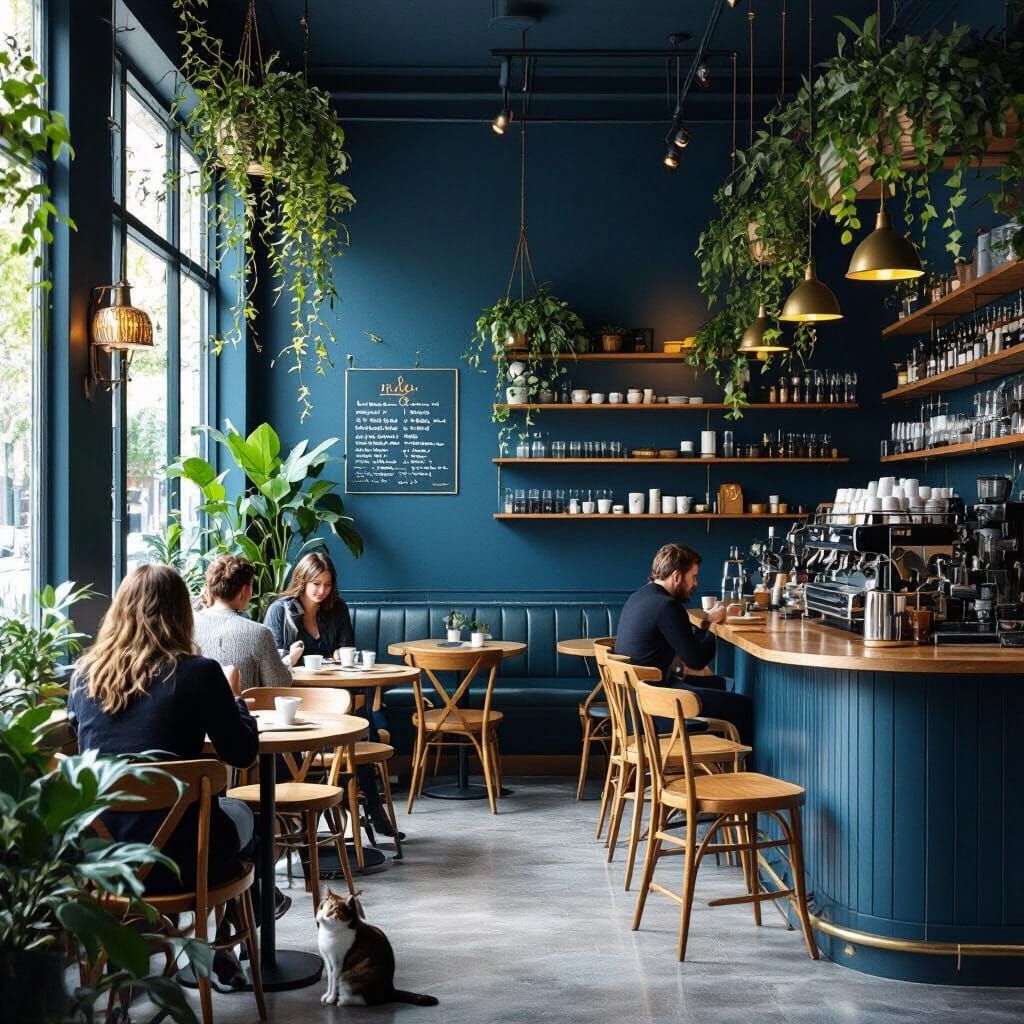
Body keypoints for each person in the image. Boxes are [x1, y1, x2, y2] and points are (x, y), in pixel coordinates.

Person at [67, 564, 262, 991]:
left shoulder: (83, 676)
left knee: (208, 818)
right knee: (246, 815)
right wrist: (237, 701)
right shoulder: (198, 672)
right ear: (181, 613)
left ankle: (141, 951)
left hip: (104, 861)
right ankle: (219, 946)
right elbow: (242, 753)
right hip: (180, 861)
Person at [264, 551, 401, 839]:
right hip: (297, 701)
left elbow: (345, 646)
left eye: (327, 584)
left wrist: (340, 653)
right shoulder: (281, 611)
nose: (322, 591)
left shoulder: (336, 609)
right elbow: (272, 659)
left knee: (360, 722)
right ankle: (359, 810)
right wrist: (291, 655)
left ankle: (372, 808)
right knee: (362, 722)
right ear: (302, 580)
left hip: (336, 696)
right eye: (316, 584)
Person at [613, 543, 753, 744]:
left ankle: (720, 763)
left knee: (727, 685)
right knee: (743, 705)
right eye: (693, 577)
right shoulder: (667, 606)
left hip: (637, 705)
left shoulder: (639, 597)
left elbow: (687, 646)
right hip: (659, 707)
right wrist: (712, 623)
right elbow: (696, 660)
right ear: (677, 576)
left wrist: (706, 621)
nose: (695, 584)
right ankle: (740, 772)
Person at [194, 554, 302, 690]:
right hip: (242, 710)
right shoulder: (260, 633)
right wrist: (289, 661)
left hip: (191, 711)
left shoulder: (187, 627)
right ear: (244, 591)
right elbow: (278, 684)